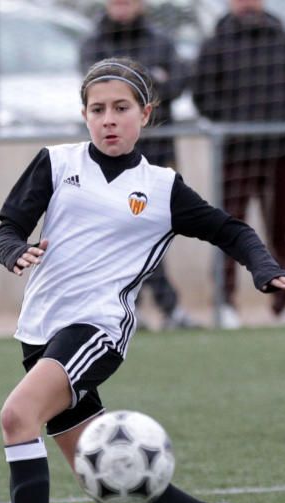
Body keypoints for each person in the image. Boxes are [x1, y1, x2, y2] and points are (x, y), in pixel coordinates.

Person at [0, 57, 285, 503]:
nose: (109, 120)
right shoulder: (56, 164)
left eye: (121, 109)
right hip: (40, 333)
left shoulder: (160, 189)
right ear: (83, 115)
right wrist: (15, 251)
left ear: (146, 114)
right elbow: (9, 227)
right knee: (103, 473)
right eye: (97, 109)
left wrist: (261, 266)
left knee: (17, 416)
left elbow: (230, 229)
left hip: (97, 329)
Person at [191, 0, 285, 329]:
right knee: (229, 229)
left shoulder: (284, 41)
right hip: (234, 154)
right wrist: (238, 126)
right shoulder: (216, 44)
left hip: (278, 152)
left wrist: (281, 123)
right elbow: (203, 95)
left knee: (278, 230)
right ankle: (225, 302)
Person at [80, 0, 196, 331]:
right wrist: (149, 79)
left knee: (148, 231)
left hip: (156, 155)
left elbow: (175, 85)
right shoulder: (94, 43)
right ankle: (151, 308)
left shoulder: (161, 41)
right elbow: (99, 88)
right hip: (109, 160)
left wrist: (135, 84)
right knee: (126, 232)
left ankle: (137, 308)